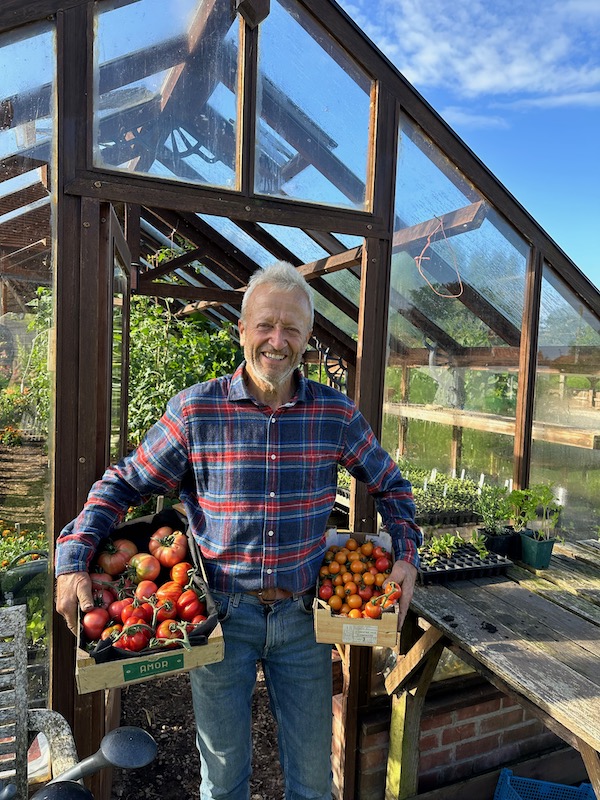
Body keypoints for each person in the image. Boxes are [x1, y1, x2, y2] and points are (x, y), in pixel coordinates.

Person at [55, 259, 422, 800]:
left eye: (292, 328)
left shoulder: (334, 415)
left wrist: (407, 556)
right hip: (222, 618)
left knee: (313, 782)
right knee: (223, 779)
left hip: (304, 619)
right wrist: (71, 560)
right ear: (242, 331)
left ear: (307, 339)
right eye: (265, 325)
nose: (278, 340)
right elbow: (124, 483)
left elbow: (392, 485)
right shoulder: (196, 411)